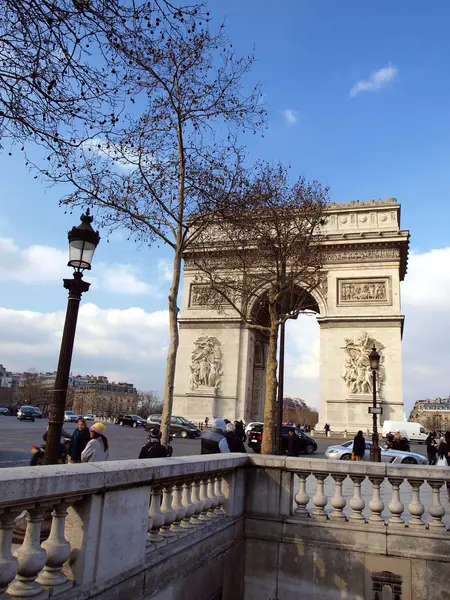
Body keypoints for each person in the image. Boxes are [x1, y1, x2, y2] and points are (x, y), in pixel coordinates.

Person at [437, 431, 450, 500]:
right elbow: (439, 453)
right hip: (447, 463)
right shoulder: (443, 444)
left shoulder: (443, 443)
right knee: (448, 481)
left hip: (447, 464)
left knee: (448, 481)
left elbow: (439, 453)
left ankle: (449, 496)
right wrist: (446, 453)